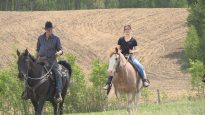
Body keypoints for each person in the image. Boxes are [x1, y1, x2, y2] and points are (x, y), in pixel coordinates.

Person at [22, 21, 63, 102]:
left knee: (58, 74)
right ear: (45, 29)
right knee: (29, 71)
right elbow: (37, 50)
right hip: (40, 59)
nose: (49, 31)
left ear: (52, 29)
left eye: (50, 29)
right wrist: (36, 59)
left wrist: (58, 53)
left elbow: (61, 50)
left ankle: (58, 94)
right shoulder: (40, 38)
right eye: (48, 29)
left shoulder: (56, 39)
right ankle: (27, 92)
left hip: (51, 60)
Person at [103, 25, 150, 90]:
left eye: (128, 29)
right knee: (113, 66)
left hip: (130, 56)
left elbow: (137, 49)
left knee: (139, 66)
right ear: (124, 31)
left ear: (131, 31)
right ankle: (108, 83)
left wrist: (133, 51)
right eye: (126, 30)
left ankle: (144, 80)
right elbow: (118, 48)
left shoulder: (133, 40)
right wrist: (119, 51)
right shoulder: (121, 39)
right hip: (121, 56)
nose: (127, 31)